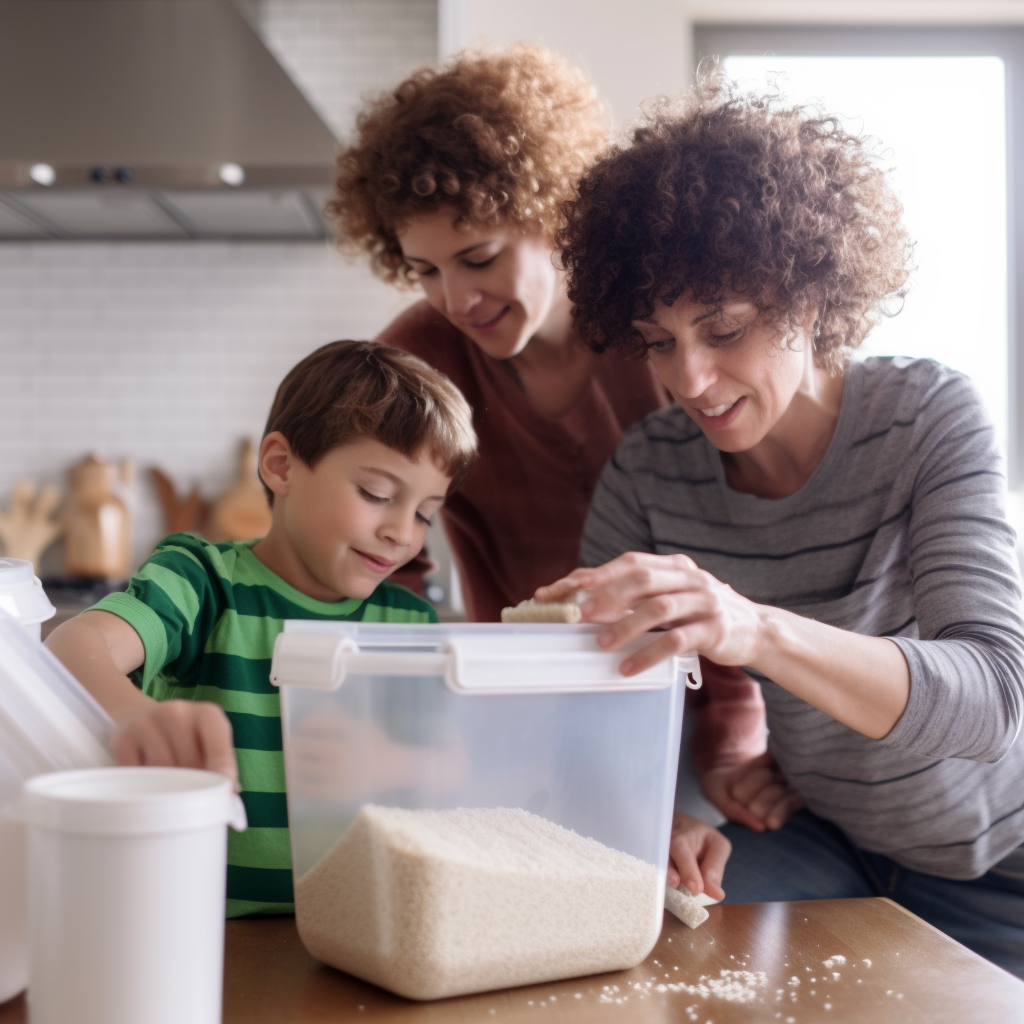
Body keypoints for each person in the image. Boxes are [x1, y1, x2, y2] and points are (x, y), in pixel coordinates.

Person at [539, 73, 1024, 976]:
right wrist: (655, 814)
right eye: (657, 339)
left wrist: (751, 626)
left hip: (999, 860)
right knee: (661, 960)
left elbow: (993, 697)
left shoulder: (927, 416)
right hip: (825, 839)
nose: (686, 379)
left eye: (723, 328)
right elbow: (585, 703)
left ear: (810, 296)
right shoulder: (652, 467)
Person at [327, 43, 774, 821]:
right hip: (523, 714)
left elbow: (728, 537)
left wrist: (732, 740)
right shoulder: (420, 361)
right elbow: (375, 558)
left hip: (695, 703)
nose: (456, 299)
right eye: (425, 270)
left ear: (553, 210)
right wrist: (414, 711)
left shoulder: (663, 339)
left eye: (478, 258)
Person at [45, 341, 478, 917]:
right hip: (195, 925)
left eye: (426, 512)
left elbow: (455, 763)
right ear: (281, 466)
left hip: (355, 931)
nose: (403, 532)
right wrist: (132, 712)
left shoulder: (407, 621)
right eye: (377, 494)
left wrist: (392, 763)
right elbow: (74, 644)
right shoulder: (201, 583)